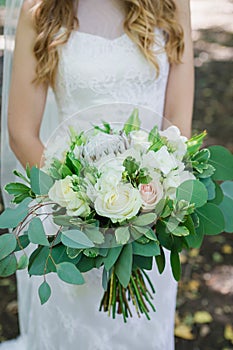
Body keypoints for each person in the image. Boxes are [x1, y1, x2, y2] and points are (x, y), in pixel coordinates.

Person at [0, 0, 194, 349]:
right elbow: (21, 133)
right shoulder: (41, 11)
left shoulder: (172, 4)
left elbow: (178, 122)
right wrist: (79, 206)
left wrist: (147, 207)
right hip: (69, 227)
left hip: (152, 218)